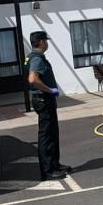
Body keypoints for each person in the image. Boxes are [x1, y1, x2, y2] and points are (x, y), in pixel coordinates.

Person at [26, 31, 71, 180]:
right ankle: (48, 170)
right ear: (40, 42)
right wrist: (49, 90)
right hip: (43, 99)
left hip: (45, 100)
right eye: (46, 40)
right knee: (46, 136)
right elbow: (33, 79)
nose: (47, 43)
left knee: (52, 133)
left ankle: (55, 164)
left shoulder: (35, 57)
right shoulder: (37, 59)